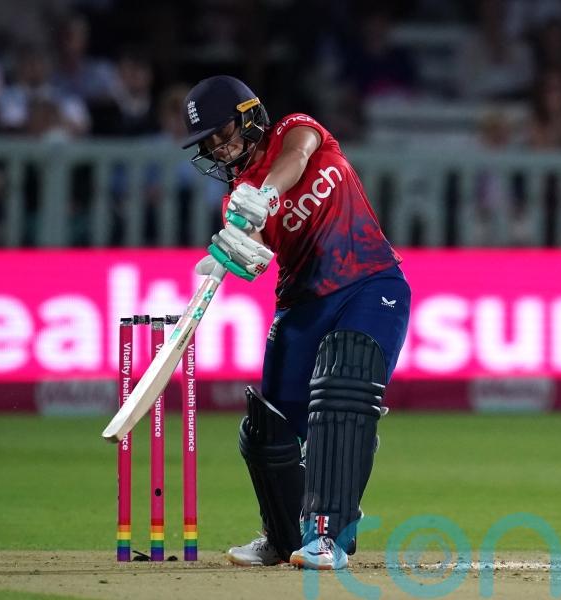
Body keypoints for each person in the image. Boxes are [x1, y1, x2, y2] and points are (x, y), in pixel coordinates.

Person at [181, 75, 411, 570]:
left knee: (341, 395)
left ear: (249, 118)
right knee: (269, 428)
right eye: (210, 145)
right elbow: (259, 249)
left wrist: (263, 193)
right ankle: (282, 534)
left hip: (371, 285)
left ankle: (328, 534)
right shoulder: (235, 201)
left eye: (225, 135)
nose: (220, 151)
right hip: (301, 306)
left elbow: (298, 158)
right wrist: (234, 250)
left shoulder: (295, 129)